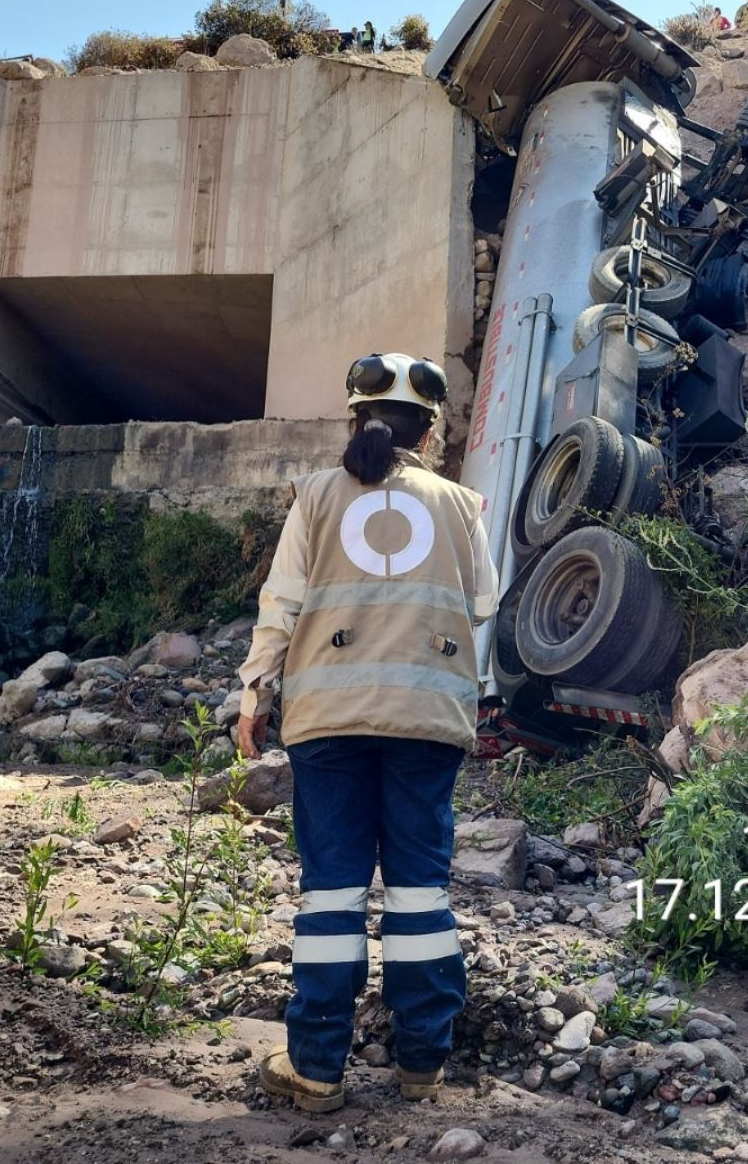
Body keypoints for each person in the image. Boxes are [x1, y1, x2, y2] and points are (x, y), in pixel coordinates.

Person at [238, 352, 497, 1114]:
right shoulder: (460, 505)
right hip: (427, 721)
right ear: (431, 430)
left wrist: (254, 696)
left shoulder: (316, 495)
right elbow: (481, 603)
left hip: (328, 724)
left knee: (332, 894)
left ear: (354, 416)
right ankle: (423, 1065)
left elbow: (281, 604)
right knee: (420, 893)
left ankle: (316, 1068)